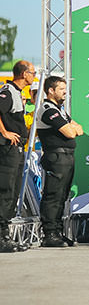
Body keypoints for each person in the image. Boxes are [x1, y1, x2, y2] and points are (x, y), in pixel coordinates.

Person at [36, 75, 82, 247]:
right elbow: (71, 132)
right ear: (51, 90)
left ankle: (58, 231)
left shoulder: (60, 110)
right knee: (53, 195)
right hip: (56, 157)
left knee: (62, 195)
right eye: (61, 89)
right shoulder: (49, 109)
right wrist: (72, 129)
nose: (65, 92)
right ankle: (49, 234)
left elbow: (80, 128)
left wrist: (72, 128)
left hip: (67, 156)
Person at [0, 60, 35, 252]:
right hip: (7, 149)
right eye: (32, 72)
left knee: (13, 192)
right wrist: (4, 132)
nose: (34, 75)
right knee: (5, 191)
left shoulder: (18, 93)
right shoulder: (8, 90)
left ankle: (6, 236)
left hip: (17, 149)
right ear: (23, 74)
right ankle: (0, 237)